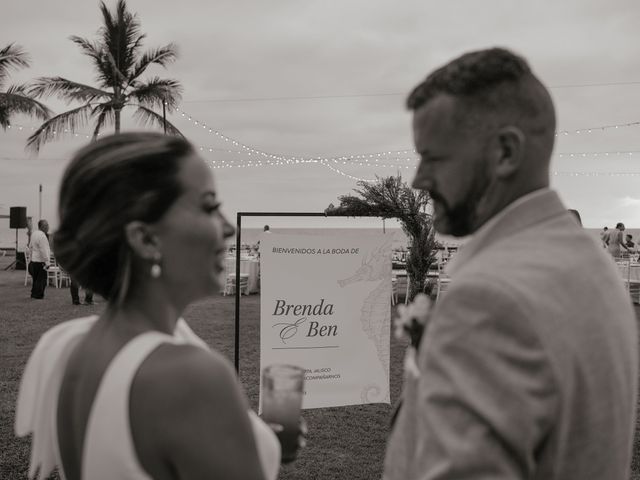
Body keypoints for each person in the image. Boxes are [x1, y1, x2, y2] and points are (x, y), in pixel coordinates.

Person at [383, 48, 638, 479]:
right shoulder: (591, 263)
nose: (418, 179)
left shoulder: (490, 296)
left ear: (505, 152)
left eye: (435, 158)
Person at [15, 133, 301, 480]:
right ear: (147, 239)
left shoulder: (71, 345)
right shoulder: (191, 377)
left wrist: (247, 441)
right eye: (209, 206)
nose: (228, 228)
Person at [29, 219, 51, 299]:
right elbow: (43, 249)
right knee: (42, 279)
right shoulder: (42, 236)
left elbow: (30, 246)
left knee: (35, 279)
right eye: (47, 225)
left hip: (34, 260)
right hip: (41, 261)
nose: (48, 227)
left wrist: (30, 259)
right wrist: (47, 262)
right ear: (42, 226)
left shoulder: (34, 234)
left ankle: (33, 294)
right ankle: (38, 295)